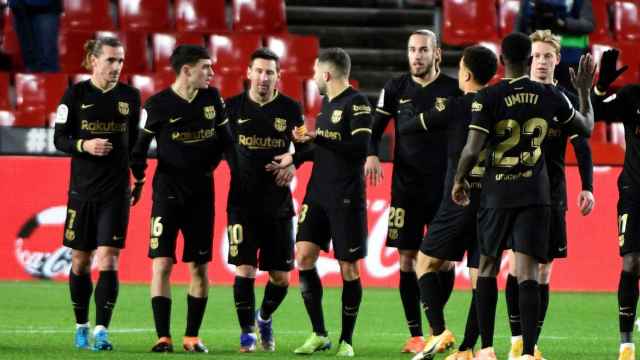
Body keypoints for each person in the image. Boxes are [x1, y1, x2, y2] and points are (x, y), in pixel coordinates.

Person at [451, 32, 594, 360]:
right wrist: (585, 93)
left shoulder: (489, 97)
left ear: (502, 61)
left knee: (487, 267)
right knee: (530, 272)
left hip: (496, 194)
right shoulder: (549, 95)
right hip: (535, 195)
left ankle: (486, 348)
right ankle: (528, 352)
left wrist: (459, 180)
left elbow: (472, 148)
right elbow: (584, 128)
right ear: (530, 59)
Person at [267, 47, 372, 357]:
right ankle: (319, 334)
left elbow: (358, 147)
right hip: (317, 194)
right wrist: (295, 156)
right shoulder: (327, 106)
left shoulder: (358, 104)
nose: (313, 78)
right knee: (304, 257)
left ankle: (347, 341)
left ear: (327, 74)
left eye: (315, 73)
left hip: (346, 197)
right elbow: (322, 149)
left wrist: (318, 137)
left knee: (348, 268)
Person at [365, 29, 462, 354]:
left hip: (445, 188)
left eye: (423, 50)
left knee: (444, 261)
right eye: (412, 50)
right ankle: (417, 333)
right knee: (407, 260)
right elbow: (374, 130)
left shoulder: (453, 89)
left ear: (436, 54)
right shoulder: (395, 88)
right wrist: (371, 154)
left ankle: (437, 321)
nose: (416, 56)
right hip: (405, 189)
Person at [130, 45, 227, 353]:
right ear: (187, 70)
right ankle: (163, 337)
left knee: (199, 266)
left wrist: (210, 167)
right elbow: (138, 148)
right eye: (205, 67)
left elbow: (226, 142)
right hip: (167, 194)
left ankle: (191, 337)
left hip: (202, 194)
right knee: (162, 263)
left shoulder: (213, 99)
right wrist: (141, 176)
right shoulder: (157, 104)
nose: (211, 73)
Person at [505, 29, 595, 360]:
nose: (542, 62)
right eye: (537, 56)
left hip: (553, 193)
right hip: (514, 191)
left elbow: (582, 143)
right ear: (529, 59)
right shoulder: (513, 95)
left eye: (548, 56)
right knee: (516, 266)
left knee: (543, 271)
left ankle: (532, 342)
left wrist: (587, 186)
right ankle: (517, 341)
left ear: (558, 59)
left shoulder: (564, 99)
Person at [405, 45, 498, 360]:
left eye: (459, 68)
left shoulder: (456, 107)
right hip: (491, 201)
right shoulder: (498, 105)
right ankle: (469, 349)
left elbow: (412, 124)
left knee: (424, 263)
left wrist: (410, 112)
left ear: (467, 73)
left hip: (459, 198)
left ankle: (439, 331)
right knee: (480, 276)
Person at [53, 36, 140, 351]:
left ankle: (102, 330)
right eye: (110, 60)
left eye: (120, 60)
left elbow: (133, 145)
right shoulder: (75, 95)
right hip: (82, 192)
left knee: (109, 258)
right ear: (93, 60)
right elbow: (59, 139)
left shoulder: (130, 96)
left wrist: (139, 180)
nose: (116, 67)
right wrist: (84, 145)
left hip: (115, 191)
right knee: (80, 260)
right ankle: (81, 326)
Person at [223, 48, 306, 352]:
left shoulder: (290, 109)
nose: (263, 77)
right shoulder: (231, 108)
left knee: (281, 277)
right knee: (244, 269)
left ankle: (264, 317)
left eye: (269, 72)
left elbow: (306, 146)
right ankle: (247, 335)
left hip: (278, 205)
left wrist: (294, 162)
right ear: (248, 73)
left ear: (278, 77)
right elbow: (218, 146)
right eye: (258, 71)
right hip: (241, 204)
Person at [590, 48, 640, 360]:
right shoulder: (633, 96)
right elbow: (592, 115)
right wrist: (600, 86)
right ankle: (626, 344)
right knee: (631, 263)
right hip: (634, 192)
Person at [516, 0, 594, 89]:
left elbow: (588, 25)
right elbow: (518, 31)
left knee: (570, 99)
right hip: (537, 61)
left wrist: (563, 23)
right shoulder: (528, 2)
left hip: (571, 62)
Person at [8, 0, 62, 72]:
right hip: (19, 8)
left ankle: (50, 82)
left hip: (46, 8)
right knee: (29, 59)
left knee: (47, 59)